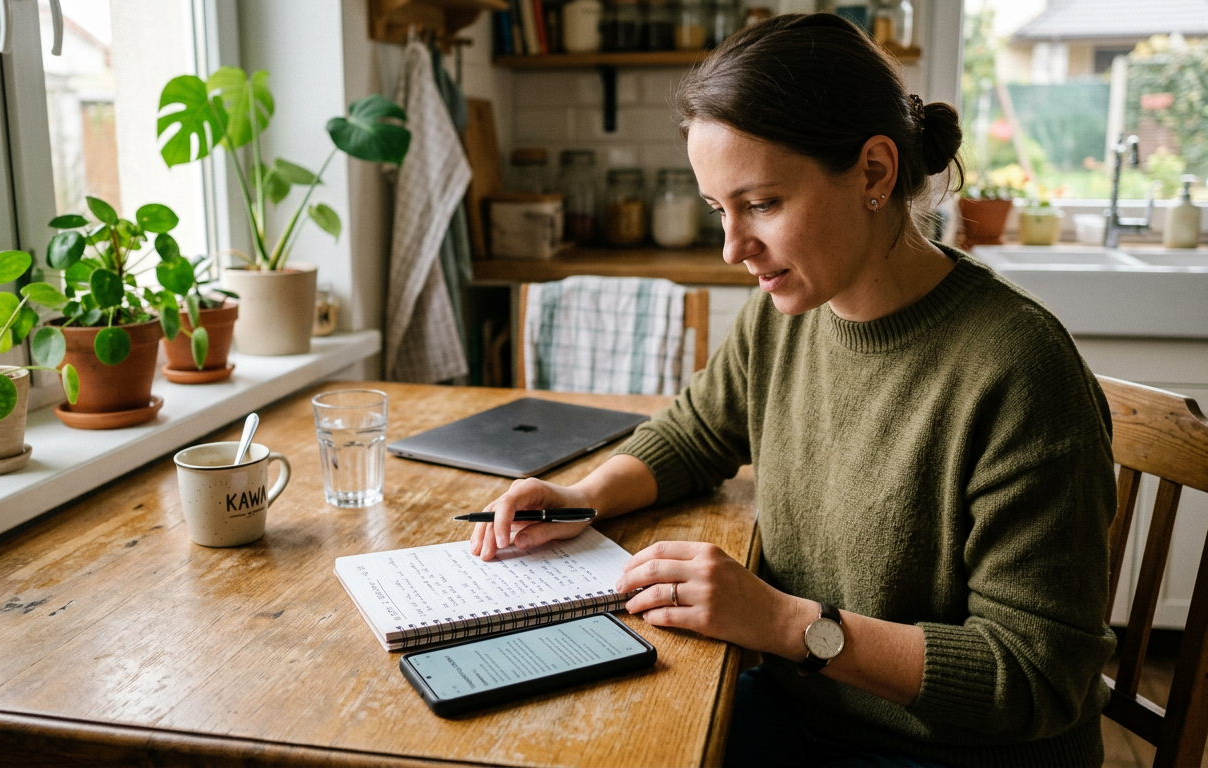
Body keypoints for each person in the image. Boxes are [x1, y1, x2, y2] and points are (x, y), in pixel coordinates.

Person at [471, 13, 1117, 768]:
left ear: (874, 173)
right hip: (808, 714)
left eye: (762, 204)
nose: (732, 248)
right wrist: (581, 497)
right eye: (720, 210)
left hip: (958, 753)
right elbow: (694, 434)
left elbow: (1037, 676)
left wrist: (781, 623)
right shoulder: (788, 314)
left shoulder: (1020, 370)